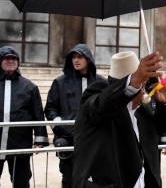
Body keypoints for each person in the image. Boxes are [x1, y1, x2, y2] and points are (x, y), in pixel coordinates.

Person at [72, 51, 166, 188]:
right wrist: (134, 80)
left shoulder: (141, 111)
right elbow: (102, 105)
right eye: (142, 85)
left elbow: (161, 127)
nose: (145, 90)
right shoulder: (97, 97)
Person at [45, 44, 106, 188]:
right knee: (70, 180)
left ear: (88, 59)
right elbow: (50, 108)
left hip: (96, 141)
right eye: (73, 57)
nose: (76, 60)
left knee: (100, 180)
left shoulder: (101, 82)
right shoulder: (60, 83)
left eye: (80, 57)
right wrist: (60, 125)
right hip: (69, 140)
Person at [0, 46, 49, 188]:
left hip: (19, 144)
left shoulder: (29, 87)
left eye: (13, 59)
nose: (10, 61)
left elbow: (37, 114)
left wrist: (40, 138)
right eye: (6, 58)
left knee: (20, 182)